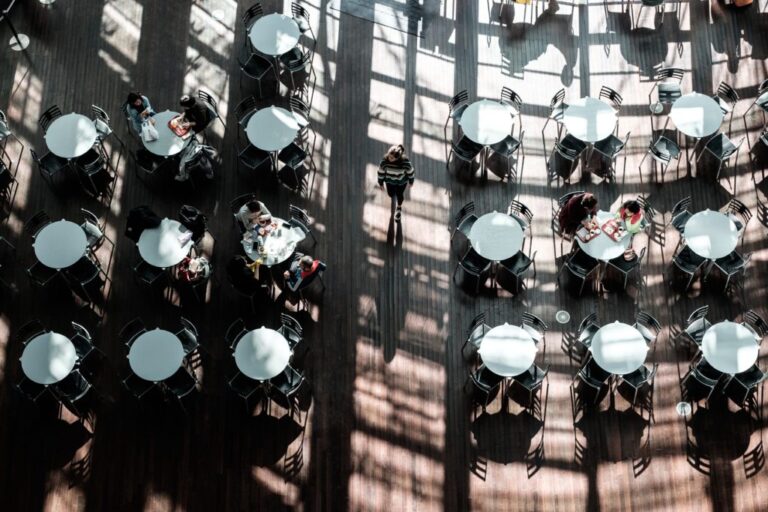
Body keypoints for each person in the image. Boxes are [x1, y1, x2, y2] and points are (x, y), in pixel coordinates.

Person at [378, 144, 414, 222]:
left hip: (401, 183)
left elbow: (410, 172)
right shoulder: (384, 162)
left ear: (397, 158)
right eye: (388, 155)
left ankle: (399, 208)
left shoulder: (405, 162)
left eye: (391, 158)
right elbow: (381, 173)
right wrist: (380, 183)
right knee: (391, 194)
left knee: (399, 195)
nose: (389, 158)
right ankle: (395, 200)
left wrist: (411, 181)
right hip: (390, 182)